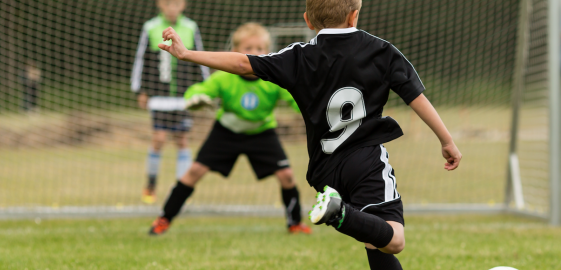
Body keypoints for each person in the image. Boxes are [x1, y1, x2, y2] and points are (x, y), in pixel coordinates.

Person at [156, 0, 463, 268]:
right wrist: (446, 140)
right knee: (393, 238)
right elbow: (415, 97)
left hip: (323, 168)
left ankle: (337, 209)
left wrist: (186, 54)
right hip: (365, 161)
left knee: (375, 238)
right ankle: (338, 212)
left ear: (307, 20)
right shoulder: (381, 51)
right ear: (355, 15)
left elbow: (240, 62)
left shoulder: (299, 56)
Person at [148, 23, 311, 235]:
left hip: (261, 132)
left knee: (287, 176)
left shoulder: (274, 79)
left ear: (268, 51)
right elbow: (197, 91)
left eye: (260, 48)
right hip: (226, 131)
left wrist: (313, 109)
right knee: (194, 172)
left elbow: (298, 101)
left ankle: (295, 223)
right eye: (249, 47)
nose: (255, 53)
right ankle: (164, 219)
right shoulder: (224, 76)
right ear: (235, 52)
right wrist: (194, 99)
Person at [131, 0, 209, 204]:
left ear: (183, 5)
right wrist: (140, 90)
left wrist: (205, 88)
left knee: (182, 140)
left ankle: (181, 190)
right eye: (168, 3)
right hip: (159, 97)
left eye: (176, 3)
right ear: (160, 5)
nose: (172, 7)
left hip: (183, 98)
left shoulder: (191, 27)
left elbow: (200, 58)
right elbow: (142, 59)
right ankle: (150, 186)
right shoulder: (150, 27)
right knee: (159, 139)